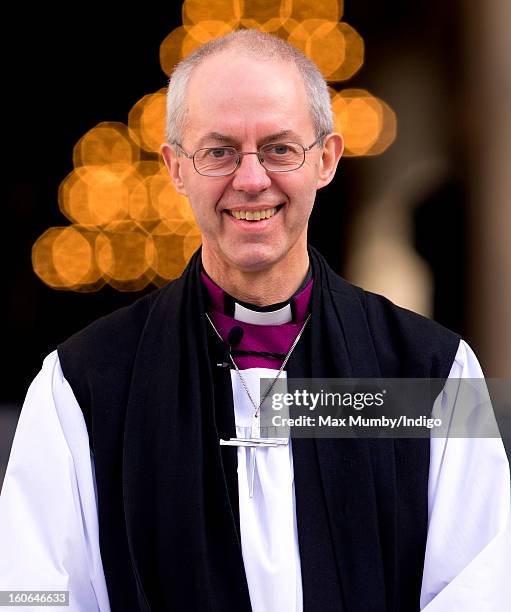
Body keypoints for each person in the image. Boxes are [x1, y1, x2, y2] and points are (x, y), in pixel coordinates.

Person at [1, 29, 510, 612]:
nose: (250, 179)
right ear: (174, 167)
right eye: (218, 151)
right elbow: (28, 592)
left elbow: (484, 585)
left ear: (326, 159)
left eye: (279, 148)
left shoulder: (432, 375)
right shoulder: (82, 385)